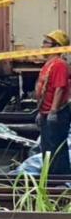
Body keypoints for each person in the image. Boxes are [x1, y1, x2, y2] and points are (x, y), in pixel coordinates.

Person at [34, 29, 70, 176]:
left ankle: (59, 177)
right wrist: (40, 111)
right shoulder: (48, 64)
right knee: (47, 146)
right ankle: (49, 176)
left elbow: (59, 88)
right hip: (45, 111)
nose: (43, 46)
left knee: (56, 147)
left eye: (46, 43)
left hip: (56, 112)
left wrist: (53, 111)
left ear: (56, 46)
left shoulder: (59, 64)